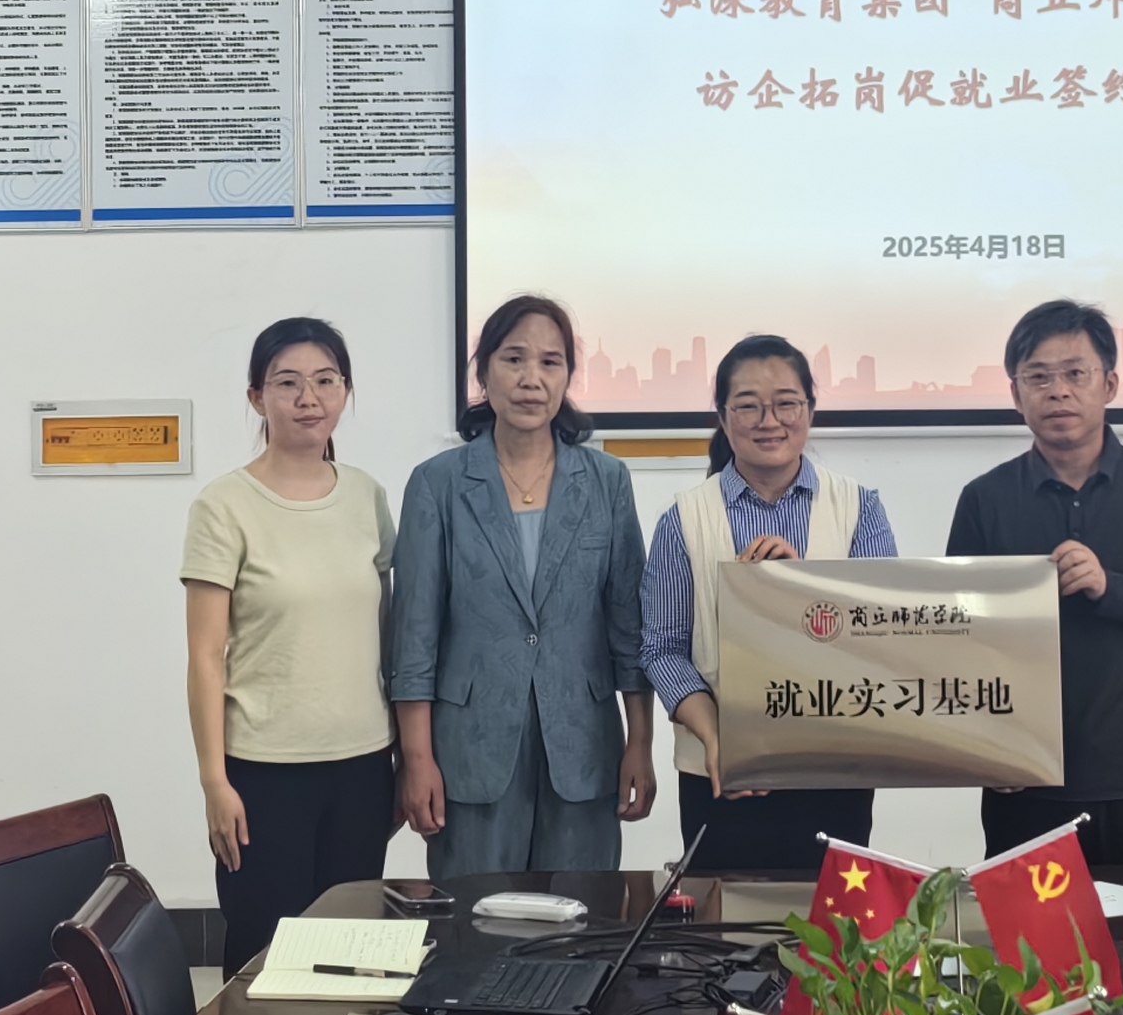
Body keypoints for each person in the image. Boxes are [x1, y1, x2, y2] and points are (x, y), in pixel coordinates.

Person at [945, 299, 1123, 872]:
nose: (1059, 391)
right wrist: (986, 752)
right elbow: (958, 640)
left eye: (1076, 373)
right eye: (1039, 377)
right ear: (1015, 394)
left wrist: (1109, 587)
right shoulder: (985, 498)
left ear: (1110, 385)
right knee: (1023, 933)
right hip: (1025, 783)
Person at [387, 294, 655, 875]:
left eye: (550, 362)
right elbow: (413, 637)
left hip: (583, 749)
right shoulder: (438, 484)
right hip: (470, 751)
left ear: (568, 377)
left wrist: (641, 741)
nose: (532, 378)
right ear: (483, 374)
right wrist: (417, 757)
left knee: (582, 918)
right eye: (514, 359)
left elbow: (628, 627)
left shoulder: (606, 482)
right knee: (475, 919)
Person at [182, 316, 398, 971]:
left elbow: (390, 634)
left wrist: (403, 760)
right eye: (288, 383)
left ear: (346, 391)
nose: (309, 398)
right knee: (264, 958)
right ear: (257, 397)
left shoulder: (366, 496)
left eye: (326, 381)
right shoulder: (225, 505)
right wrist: (214, 781)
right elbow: (204, 658)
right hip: (262, 772)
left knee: (348, 958)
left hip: (362, 767)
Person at [642, 335, 898, 873]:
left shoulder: (858, 508)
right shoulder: (684, 519)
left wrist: (799, 589)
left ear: (810, 410)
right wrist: (720, 739)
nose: (769, 421)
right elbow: (662, 650)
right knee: (725, 919)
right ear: (722, 416)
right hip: (720, 775)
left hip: (834, 770)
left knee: (833, 919)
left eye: (786, 403)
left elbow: (883, 635)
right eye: (748, 406)